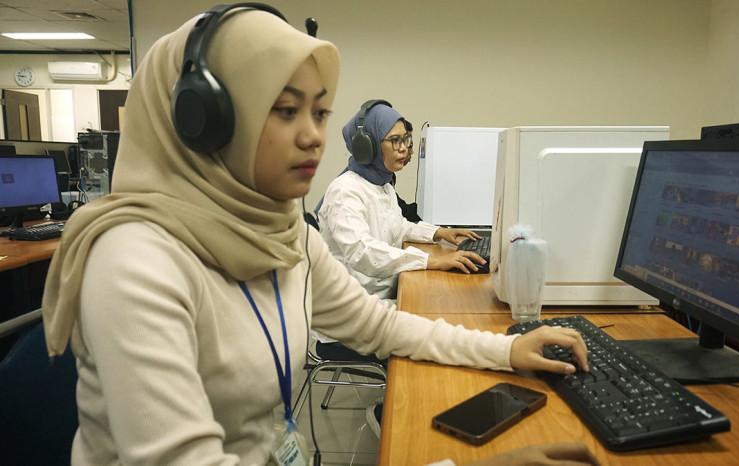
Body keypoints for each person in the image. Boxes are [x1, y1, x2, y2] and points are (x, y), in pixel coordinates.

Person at [40, 6, 596, 466]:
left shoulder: (281, 235)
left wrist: (507, 349)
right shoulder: (135, 261)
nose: (313, 137)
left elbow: (379, 325)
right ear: (202, 122)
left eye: (321, 112)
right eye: (285, 110)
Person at [316, 101, 487, 301]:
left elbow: (397, 227)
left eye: (405, 139)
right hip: (354, 306)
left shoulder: (383, 185)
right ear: (368, 147)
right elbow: (362, 252)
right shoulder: (344, 191)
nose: (404, 148)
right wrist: (432, 260)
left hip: (382, 294)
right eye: (395, 140)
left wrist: (439, 232)